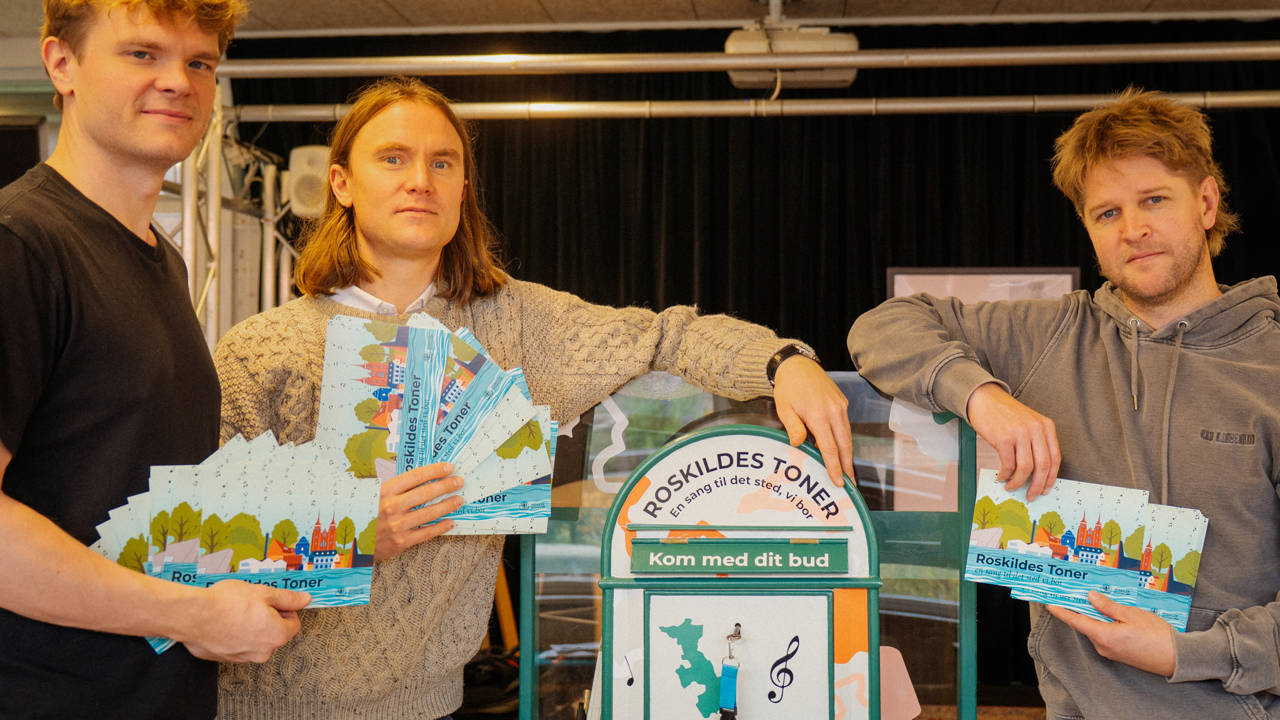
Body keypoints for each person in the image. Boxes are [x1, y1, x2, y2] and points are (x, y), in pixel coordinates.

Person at [213, 75, 855, 719]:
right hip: (262, 705)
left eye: (443, 163)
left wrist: (783, 362)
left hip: (433, 706)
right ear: (341, 183)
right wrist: (349, 532)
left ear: (463, 190)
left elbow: (666, 336)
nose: (421, 181)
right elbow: (200, 552)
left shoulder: (516, 325)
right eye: (393, 158)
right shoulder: (260, 350)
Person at [848, 87, 1280, 718]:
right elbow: (882, 327)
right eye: (1107, 213)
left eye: (1154, 199)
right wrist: (982, 396)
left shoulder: (1270, 365)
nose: (1133, 229)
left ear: (1207, 202)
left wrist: (1187, 653)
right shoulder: (1048, 336)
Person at [0, 1, 311, 717]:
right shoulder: (19, 244)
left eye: (199, 62)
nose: (177, 81)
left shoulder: (160, 259)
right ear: (62, 63)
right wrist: (192, 615)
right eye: (142, 53)